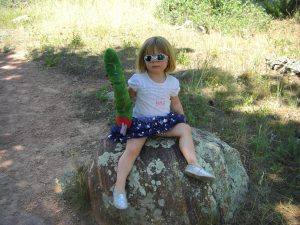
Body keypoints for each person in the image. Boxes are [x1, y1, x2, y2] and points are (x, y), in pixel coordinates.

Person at [108, 36, 215, 210]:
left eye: (160, 57)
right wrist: (119, 89)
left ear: (168, 59)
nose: (154, 61)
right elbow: (127, 98)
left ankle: (193, 165)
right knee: (132, 150)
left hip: (163, 123)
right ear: (144, 60)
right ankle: (119, 188)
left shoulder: (172, 82)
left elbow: (175, 103)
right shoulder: (139, 79)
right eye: (149, 57)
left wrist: (182, 117)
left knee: (185, 129)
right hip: (141, 123)